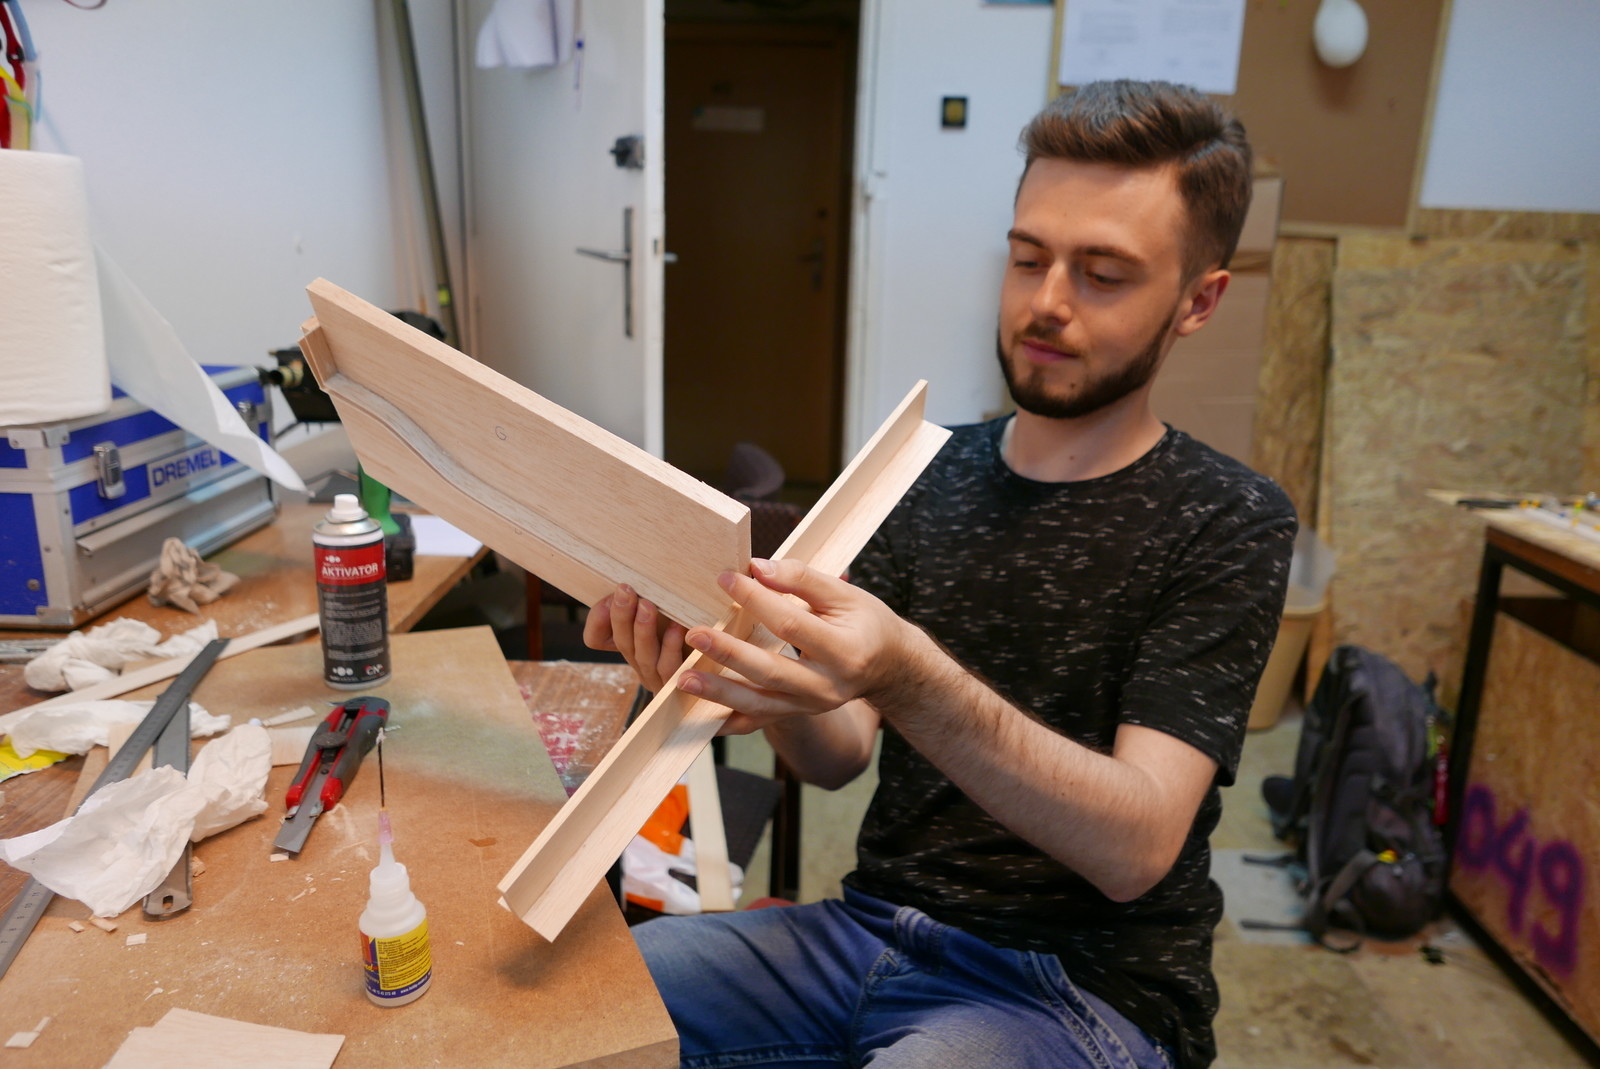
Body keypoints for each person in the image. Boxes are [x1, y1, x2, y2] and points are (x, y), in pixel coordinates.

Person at [584, 79, 1296, 1069]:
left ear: (1197, 302)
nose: (1047, 302)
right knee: (579, 1008)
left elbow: (1135, 848)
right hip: (868, 934)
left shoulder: (1227, 517)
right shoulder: (924, 471)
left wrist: (908, 672)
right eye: (1027, 258)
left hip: (1079, 988)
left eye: (1103, 274)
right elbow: (837, 754)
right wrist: (745, 671)